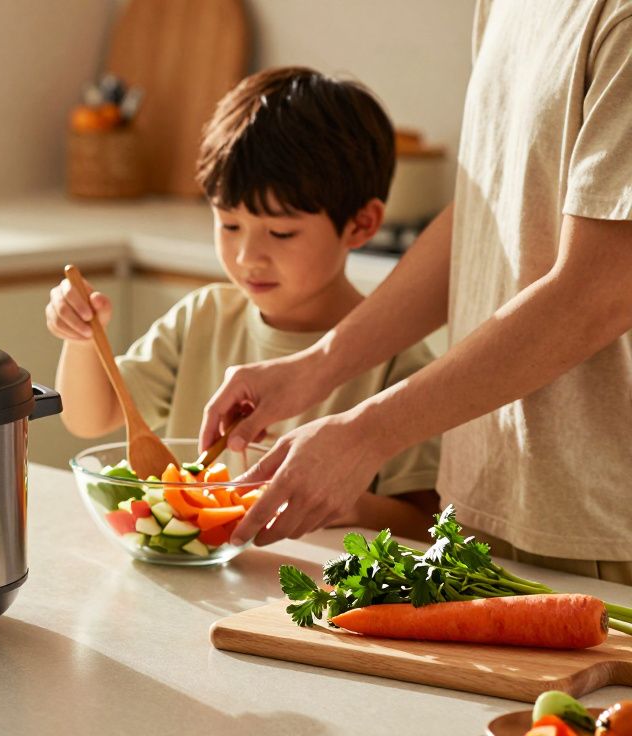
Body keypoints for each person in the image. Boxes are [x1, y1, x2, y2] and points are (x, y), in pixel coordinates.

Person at [201, 1, 632, 582]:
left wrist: (366, 433)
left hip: (599, 520)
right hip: (486, 502)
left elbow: (599, 292)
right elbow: (485, 215)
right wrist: (316, 366)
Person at [46, 67, 440, 539]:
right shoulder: (203, 318)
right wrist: (84, 339)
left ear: (361, 224)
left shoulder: (399, 362)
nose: (247, 256)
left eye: (281, 232)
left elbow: (426, 523)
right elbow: (89, 417)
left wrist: (346, 502)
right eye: (229, 225)